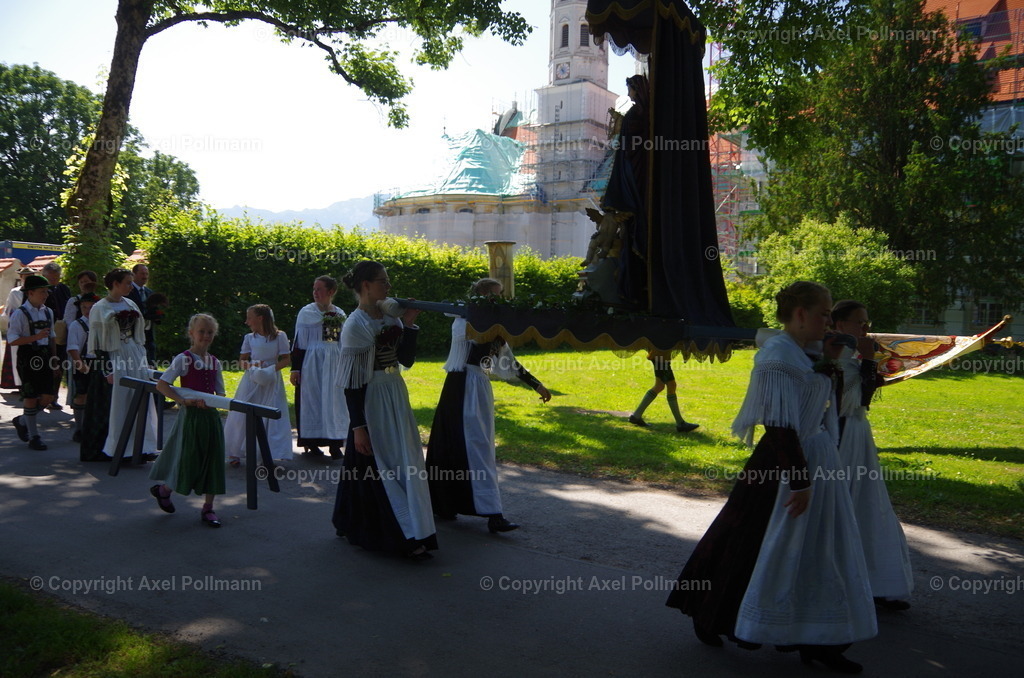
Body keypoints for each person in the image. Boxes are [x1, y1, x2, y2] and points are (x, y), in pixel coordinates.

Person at [666, 281, 875, 674]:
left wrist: (828, 361)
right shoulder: (777, 357)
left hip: (817, 457)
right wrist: (800, 481)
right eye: (824, 313)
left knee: (824, 548)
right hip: (784, 465)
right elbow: (779, 426)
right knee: (752, 541)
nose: (830, 321)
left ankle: (821, 639)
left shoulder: (805, 351)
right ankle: (713, 614)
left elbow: (825, 401)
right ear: (800, 315)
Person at [425, 278, 551, 533]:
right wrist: (497, 327)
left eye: (500, 295)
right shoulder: (464, 322)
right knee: (468, 445)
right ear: (481, 296)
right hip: (461, 386)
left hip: (478, 386)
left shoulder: (493, 324)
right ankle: (485, 511)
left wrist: (536, 384)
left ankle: (457, 505)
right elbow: (472, 346)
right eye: (494, 295)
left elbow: (508, 362)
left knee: (475, 444)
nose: (499, 300)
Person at [331, 260, 437, 560]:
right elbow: (352, 384)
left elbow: (407, 359)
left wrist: (410, 323)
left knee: (400, 458)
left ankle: (350, 519)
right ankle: (397, 532)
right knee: (379, 462)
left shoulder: (390, 317)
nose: (388, 287)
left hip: (395, 393)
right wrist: (358, 426)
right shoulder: (356, 325)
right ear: (366, 286)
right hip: (373, 398)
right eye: (382, 281)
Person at [832, 300, 913, 611]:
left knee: (869, 502)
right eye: (859, 323)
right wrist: (867, 361)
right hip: (840, 433)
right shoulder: (834, 352)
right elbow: (853, 398)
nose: (865, 328)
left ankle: (878, 582)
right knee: (846, 502)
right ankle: (845, 581)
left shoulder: (849, 351)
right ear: (840, 325)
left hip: (857, 434)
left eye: (867, 322)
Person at [148, 313, 227, 527]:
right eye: (201, 331)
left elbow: (220, 393)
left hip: (210, 418)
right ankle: (164, 490)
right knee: (187, 458)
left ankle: (208, 508)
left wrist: (214, 403)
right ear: (191, 333)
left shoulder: (214, 362)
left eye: (210, 332)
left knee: (213, 460)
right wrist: (183, 401)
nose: (206, 336)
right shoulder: (184, 359)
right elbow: (162, 384)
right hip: (191, 416)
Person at [87, 268, 159, 462]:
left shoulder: (130, 303)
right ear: (115, 284)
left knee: (140, 398)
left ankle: (143, 446)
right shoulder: (100, 307)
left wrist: (142, 358)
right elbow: (96, 342)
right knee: (121, 403)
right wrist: (106, 369)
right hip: (114, 355)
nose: (130, 286)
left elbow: (138, 334)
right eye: (127, 282)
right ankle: (121, 449)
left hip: (133, 354)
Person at [223, 304, 292, 466]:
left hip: (271, 379)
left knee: (270, 412)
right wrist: (252, 368)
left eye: (249, 317)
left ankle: (268, 452)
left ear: (260, 318)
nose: (247, 322)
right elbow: (242, 360)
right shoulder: (249, 338)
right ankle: (235, 452)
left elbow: (286, 359)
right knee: (243, 411)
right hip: (252, 379)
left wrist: (270, 370)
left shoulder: (279, 336)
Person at [290, 275, 348, 459]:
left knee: (334, 401)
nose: (315, 293)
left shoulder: (339, 313)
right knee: (312, 400)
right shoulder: (306, 312)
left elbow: (342, 341)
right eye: (314, 289)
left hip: (334, 361)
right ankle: (311, 443)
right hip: (312, 361)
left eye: (319, 289)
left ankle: (335, 444)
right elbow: (299, 342)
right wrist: (295, 368)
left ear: (331, 292)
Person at [8, 275, 59, 450]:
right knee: (30, 397)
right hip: (27, 356)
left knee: (47, 397)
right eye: (42, 291)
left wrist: (54, 359)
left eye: (46, 291)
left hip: (45, 356)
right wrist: (34, 337)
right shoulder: (20, 314)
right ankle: (34, 437)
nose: (45, 294)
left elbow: (52, 337)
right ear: (30, 293)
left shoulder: (48, 312)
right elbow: (12, 340)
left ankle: (22, 420)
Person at [628, 349, 699, 432]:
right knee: (670, 385)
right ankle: (680, 423)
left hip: (659, 355)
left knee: (659, 386)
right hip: (661, 356)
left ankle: (636, 416)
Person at [66, 292, 100, 443]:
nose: (87, 310)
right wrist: (79, 363)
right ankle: (79, 428)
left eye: (91, 307)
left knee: (97, 395)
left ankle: (93, 426)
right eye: (84, 307)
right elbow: (73, 346)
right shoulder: (76, 325)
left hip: (100, 362)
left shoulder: (102, 324)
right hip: (83, 361)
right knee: (81, 395)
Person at [41, 262, 71, 410]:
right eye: (51, 278)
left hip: (61, 332)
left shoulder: (64, 289)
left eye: (57, 277)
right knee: (43, 365)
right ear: (44, 276)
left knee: (58, 365)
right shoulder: (39, 290)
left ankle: (54, 397)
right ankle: (42, 396)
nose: (54, 280)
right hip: (44, 333)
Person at [2, 266, 34, 390]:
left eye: (30, 276)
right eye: (25, 276)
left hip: (32, 325)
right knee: (16, 354)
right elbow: (9, 310)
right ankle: (18, 382)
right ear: (21, 277)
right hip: (18, 324)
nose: (27, 278)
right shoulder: (15, 292)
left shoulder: (36, 291)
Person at [127, 263, 157, 364]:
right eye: (142, 273)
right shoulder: (128, 292)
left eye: (146, 274)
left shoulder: (150, 292)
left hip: (149, 335)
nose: (145, 276)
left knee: (151, 363)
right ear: (134, 274)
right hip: (134, 334)